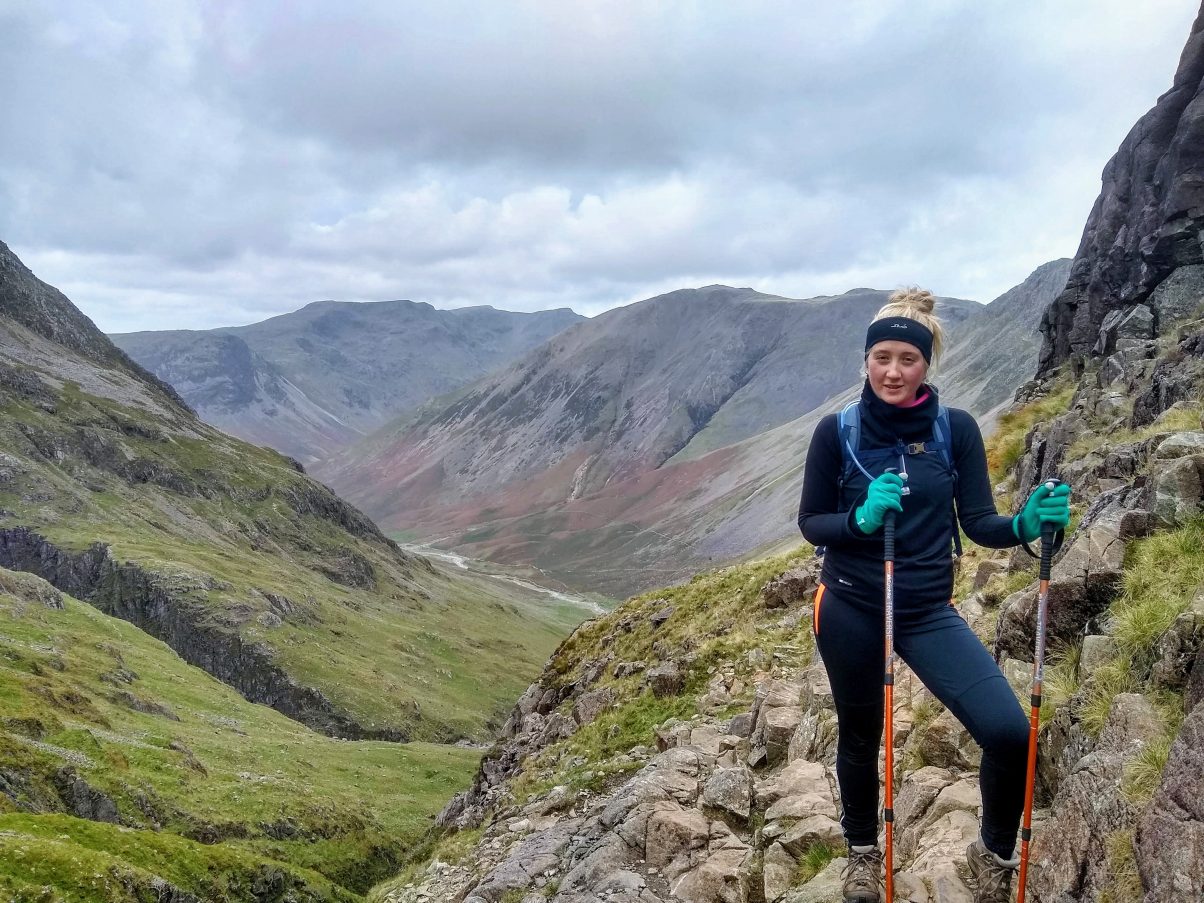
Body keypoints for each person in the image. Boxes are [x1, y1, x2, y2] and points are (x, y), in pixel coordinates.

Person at [796, 288, 1071, 903]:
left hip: (924, 609)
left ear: (927, 365)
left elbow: (979, 522)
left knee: (1009, 732)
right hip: (849, 605)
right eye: (882, 357)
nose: (893, 371)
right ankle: (863, 853)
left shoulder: (956, 431)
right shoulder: (835, 432)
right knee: (860, 735)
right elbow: (812, 521)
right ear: (866, 361)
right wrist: (860, 521)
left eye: (908, 359)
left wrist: (1024, 526)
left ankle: (991, 854)